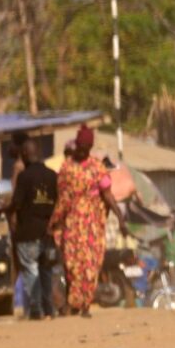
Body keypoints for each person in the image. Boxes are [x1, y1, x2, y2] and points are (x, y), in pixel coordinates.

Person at [47, 126, 119, 317]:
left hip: (93, 224)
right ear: (76, 144)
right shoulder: (67, 168)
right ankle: (74, 302)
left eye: (86, 147)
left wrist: (120, 217)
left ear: (90, 147)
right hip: (72, 223)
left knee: (91, 264)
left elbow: (108, 195)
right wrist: (54, 221)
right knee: (72, 264)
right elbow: (62, 198)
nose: (82, 150)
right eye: (80, 145)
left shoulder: (97, 168)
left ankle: (85, 304)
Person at [5, 139, 57, 320]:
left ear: (25, 155)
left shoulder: (24, 177)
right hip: (48, 234)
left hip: (28, 234)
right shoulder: (52, 175)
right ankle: (49, 310)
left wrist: (3, 210)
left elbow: (17, 204)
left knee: (31, 271)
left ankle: (36, 310)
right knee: (46, 272)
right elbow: (58, 204)